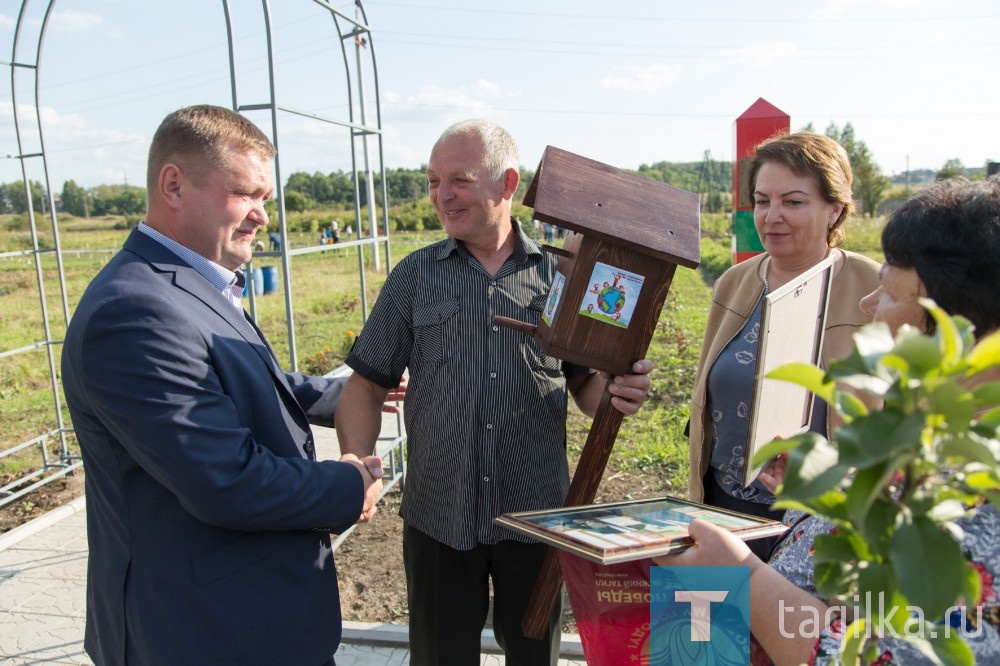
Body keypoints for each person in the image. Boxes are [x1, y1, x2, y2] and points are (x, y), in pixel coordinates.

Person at [61, 104, 389, 666]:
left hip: (246, 617)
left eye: (266, 197)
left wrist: (356, 390)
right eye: (246, 193)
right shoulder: (133, 311)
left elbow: (245, 377)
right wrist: (348, 484)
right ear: (174, 185)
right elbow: (227, 480)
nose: (262, 215)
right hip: (205, 632)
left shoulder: (190, 283)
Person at [334, 119, 654, 665]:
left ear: (508, 183)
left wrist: (620, 393)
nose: (441, 195)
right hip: (440, 517)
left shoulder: (560, 279)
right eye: (434, 181)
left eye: (458, 179)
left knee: (534, 656)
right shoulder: (415, 277)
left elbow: (586, 389)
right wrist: (355, 458)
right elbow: (366, 383)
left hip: (533, 517)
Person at [659, 176, 1000, 665]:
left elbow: (875, 656)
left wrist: (738, 575)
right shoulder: (937, 433)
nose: (868, 306)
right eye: (762, 200)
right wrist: (825, 497)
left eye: (887, 292)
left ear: (950, 320)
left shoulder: (981, 492)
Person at [687, 131, 881, 557]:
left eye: (793, 202)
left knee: (799, 625)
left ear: (835, 209)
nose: (772, 215)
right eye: (762, 200)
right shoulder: (734, 283)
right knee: (702, 625)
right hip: (723, 512)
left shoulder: (874, 289)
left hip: (826, 526)